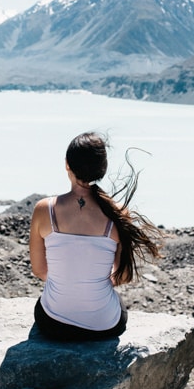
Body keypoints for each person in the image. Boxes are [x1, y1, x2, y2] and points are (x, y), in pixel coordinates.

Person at [29, 131, 162, 341]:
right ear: (103, 169)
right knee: (116, 304)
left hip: (54, 323)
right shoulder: (117, 214)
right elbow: (123, 276)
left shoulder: (45, 210)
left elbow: (39, 270)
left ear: (67, 165)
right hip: (103, 325)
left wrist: (69, 281)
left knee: (42, 306)